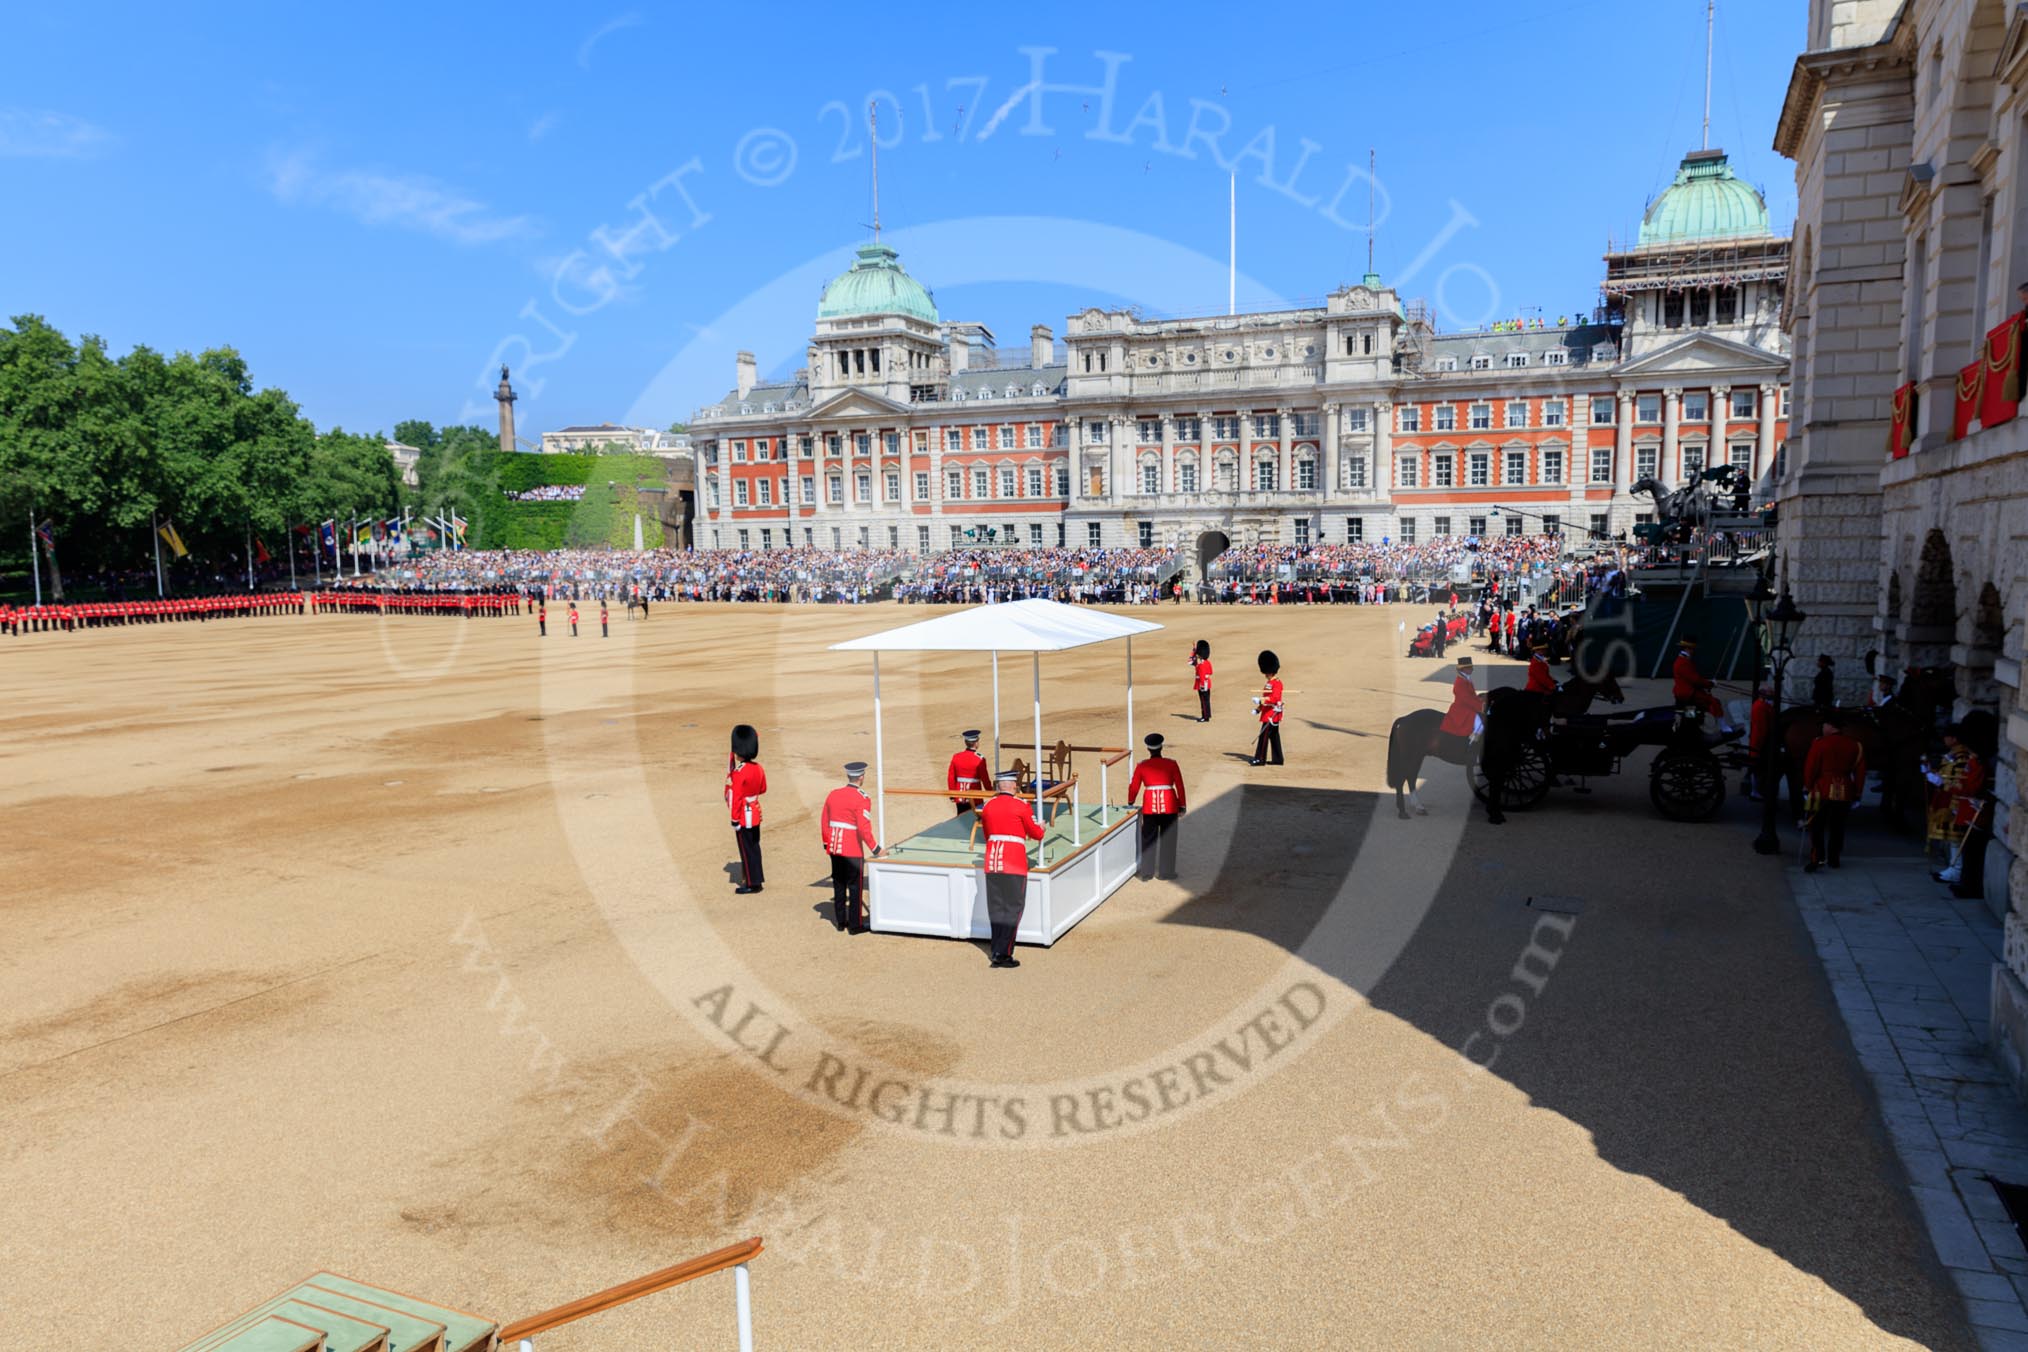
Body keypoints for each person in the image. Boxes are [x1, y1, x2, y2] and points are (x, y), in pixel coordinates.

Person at [979, 767, 1044, 968]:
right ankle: (1004, 953)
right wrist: (1041, 827)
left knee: (996, 908)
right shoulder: (1021, 805)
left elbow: (987, 834)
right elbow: (1036, 833)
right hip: (1013, 862)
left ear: (999, 786)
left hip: (992, 861)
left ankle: (996, 947)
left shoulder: (988, 805)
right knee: (1013, 908)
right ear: (1014, 785)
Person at [820, 761, 880, 933]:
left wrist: (827, 842)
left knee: (839, 884)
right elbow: (863, 828)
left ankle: (840, 922)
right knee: (855, 887)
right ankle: (855, 924)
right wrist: (875, 848)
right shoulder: (862, 798)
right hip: (851, 848)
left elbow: (825, 820)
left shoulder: (833, 794)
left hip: (834, 846)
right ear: (861, 777)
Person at [1803, 713, 1866, 872]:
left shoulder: (1819, 743)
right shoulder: (1855, 745)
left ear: (1831, 726)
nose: (1822, 728)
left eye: (1824, 725)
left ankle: (1817, 858)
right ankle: (1834, 858)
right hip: (1845, 791)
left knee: (1817, 825)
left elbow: (1811, 768)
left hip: (1822, 790)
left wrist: (1808, 787)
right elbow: (1860, 773)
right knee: (1838, 827)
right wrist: (1857, 793)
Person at [1128, 732, 1187, 881]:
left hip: (1150, 807)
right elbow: (1180, 786)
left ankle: (1147, 873)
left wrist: (1130, 801)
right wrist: (1182, 805)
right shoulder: (1172, 764)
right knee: (1169, 839)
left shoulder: (1142, 765)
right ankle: (1166, 872)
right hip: (1170, 805)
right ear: (1161, 748)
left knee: (1148, 839)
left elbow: (1134, 786)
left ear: (1149, 749)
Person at [725, 723, 767, 894]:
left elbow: (735, 798)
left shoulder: (739, 772)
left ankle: (752, 883)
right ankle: (756, 878)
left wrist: (734, 819)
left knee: (746, 849)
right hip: (755, 811)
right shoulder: (758, 768)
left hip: (743, 815)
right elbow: (763, 788)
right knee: (754, 847)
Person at [1671, 636, 1724, 721]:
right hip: (1688, 694)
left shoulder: (1683, 660)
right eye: (1692, 649)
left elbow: (1693, 678)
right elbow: (1695, 680)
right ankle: (1724, 728)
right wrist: (1710, 684)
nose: (1693, 651)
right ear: (1687, 649)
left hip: (1687, 692)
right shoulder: (1683, 663)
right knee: (1714, 702)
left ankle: (1693, 725)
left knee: (1690, 716)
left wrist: (1708, 683)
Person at [1250, 650, 1286, 766]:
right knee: (1274, 738)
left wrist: (1261, 700)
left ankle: (1260, 759)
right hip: (1268, 713)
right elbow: (1266, 697)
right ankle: (1278, 759)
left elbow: (1274, 698)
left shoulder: (1277, 683)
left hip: (1271, 715)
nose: (1265, 674)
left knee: (1263, 737)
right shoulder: (1269, 683)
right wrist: (1258, 709)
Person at [1439, 655, 1484, 745]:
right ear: (1463, 669)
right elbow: (1466, 699)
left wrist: (1482, 701)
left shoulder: (1466, 678)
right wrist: (1481, 706)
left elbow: (1472, 696)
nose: (1472, 669)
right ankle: (1471, 744)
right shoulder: (1460, 681)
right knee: (1480, 724)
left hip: (1467, 706)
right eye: (1470, 667)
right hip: (1462, 709)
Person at [947, 729, 988, 817]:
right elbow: (985, 779)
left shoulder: (956, 757)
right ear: (976, 743)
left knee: (961, 819)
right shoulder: (980, 759)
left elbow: (951, 777)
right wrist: (990, 791)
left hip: (960, 794)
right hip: (975, 795)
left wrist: (952, 794)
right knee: (976, 818)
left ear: (966, 742)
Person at [1747, 684, 1774, 800]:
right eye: (1770, 693)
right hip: (1759, 742)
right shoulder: (1760, 707)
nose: (1772, 695)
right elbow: (1761, 729)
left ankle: (1756, 790)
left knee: (1757, 769)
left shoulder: (1762, 705)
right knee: (1757, 769)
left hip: (1759, 741)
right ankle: (1755, 791)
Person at [1191, 639, 1214, 722]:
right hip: (1206, 683)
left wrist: (1202, 685)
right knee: (1206, 701)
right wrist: (1194, 649)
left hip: (1202, 684)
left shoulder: (1201, 665)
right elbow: (1211, 672)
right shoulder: (1207, 662)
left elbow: (1201, 676)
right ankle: (1206, 715)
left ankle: (1205, 717)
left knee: (1204, 701)